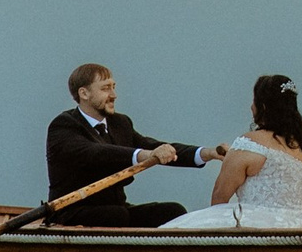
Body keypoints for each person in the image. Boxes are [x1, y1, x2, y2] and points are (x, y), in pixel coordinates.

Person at [44, 63, 215, 227]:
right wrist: (144, 155)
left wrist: (207, 153)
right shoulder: (63, 125)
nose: (114, 94)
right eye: (105, 88)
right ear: (84, 93)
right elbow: (95, 153)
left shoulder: (120, 123)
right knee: (116, 216)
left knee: (173, 211)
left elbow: (151, 145)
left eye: (113, 87)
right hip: (70, 211)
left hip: (117, 210)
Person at [161, 74, 302, 230]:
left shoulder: (249, 145)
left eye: (254, 101)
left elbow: (219, 198)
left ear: (264, 107)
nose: (251, 107)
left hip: (260, 227)